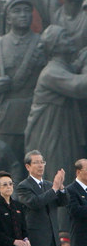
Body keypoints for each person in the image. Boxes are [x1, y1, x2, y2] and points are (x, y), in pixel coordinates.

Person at [0, 0, 46, 165]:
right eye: (17, 11)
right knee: (6, 163)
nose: (23, 15)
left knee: (36, 163)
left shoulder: (42, 43)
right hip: (6, 115)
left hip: (36, 112)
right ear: (8, 18)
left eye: (27, 11)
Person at [25, 25, 87, 184]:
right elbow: (79, 87)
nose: (71, 40)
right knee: (60, 179)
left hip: (62, 133)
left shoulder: (64, 68)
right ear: (55, 46)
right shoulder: (51, 72)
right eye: (65, 37)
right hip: (51, 136)